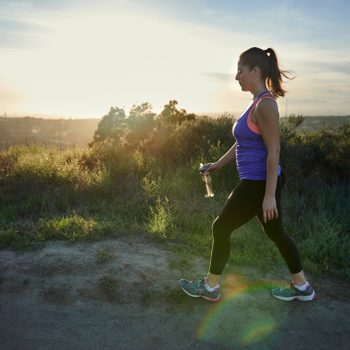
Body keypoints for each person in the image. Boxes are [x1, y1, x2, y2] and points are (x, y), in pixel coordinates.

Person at [179, 47, 316, 302]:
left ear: (255, 71)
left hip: (259, 182)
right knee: (276, 233)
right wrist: (218, 164)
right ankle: (302, 287)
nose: (236, 77)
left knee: (220, 227)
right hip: (257, 182)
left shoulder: (265, 105)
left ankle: (210, 287)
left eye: (240, 71)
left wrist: (269, 195)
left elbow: (274, 151)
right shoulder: (255, 103)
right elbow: (242, 142)